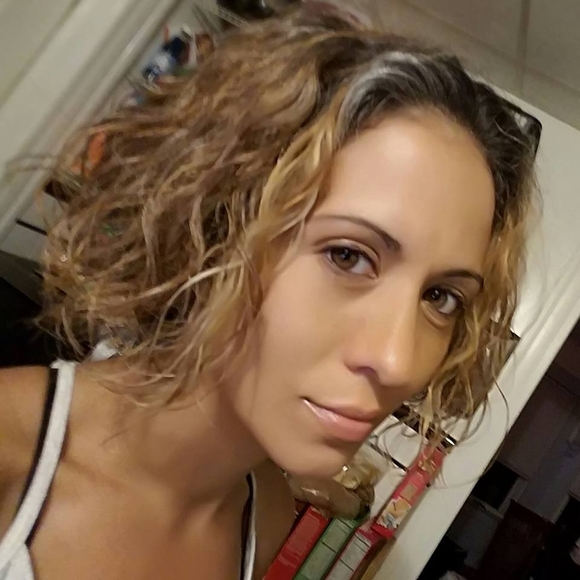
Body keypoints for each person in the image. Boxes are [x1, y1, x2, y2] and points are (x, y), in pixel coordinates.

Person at [0, 6, 537, 580]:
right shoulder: (11, 449)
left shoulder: (265, 517)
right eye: (348, 256)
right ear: (214, 224)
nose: (397, 361)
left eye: (441, 297)